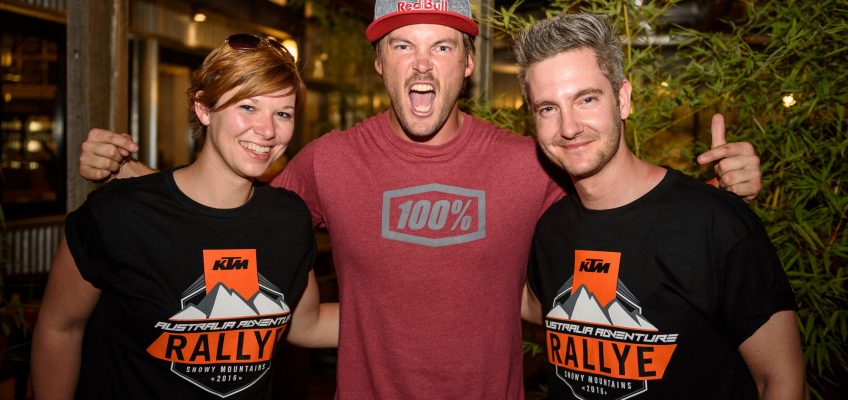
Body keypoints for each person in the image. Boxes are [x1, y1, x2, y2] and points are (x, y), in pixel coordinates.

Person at [75, 1, 764, 398]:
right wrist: (139, 179)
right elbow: (222, 213)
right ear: (380, 63)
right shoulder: (328, 160)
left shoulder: (530, 160)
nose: (423, 65)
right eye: (403, 46)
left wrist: (716, 190)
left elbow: (625, 205)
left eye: (443, 46)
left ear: (469, 64)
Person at [31, 34, 338, 399]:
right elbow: (60, 329)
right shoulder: (119, 213)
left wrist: (403, 311)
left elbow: (306, 324)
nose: (268, 130)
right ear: (204, 108)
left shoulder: (288, 220)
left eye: (282, 113)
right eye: (248, 107)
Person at [516, 13, 806, 399]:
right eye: (548, 109)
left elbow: (782, 381)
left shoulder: (714, 223)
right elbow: (531, 306)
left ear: (622, 99)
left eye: (586, 99)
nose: (568, 127)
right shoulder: (551, 230)